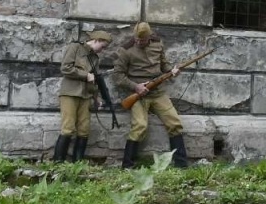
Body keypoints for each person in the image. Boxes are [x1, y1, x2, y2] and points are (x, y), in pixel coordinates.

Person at [111, 22, 186, 169]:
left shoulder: (157, 44)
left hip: (158, 92)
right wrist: (135, 87)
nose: (139, 42)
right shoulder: (126, 50)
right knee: (140, 126)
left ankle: (181, 164)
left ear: (149, 37)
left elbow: (164, 65)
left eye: (143, 40)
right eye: (137, 39)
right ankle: (127, 166)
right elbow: (117, 76)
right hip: (138, 94)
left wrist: (172, 71)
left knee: (174, 123)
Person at [55, 30, 113, 162]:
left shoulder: (95, 58)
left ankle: (78, 163)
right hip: (70, 93)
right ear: (96, 40)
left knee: (84, 130)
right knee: (68, 128)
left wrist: (97, 98)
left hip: (86, 95)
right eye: (102, 46)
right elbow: (65, 68)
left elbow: (94, 80)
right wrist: (85, 75)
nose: (102, 50)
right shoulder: (75, 47)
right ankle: (58, 162)